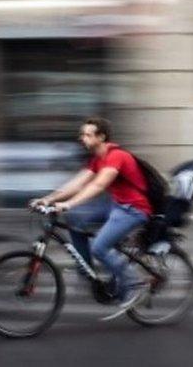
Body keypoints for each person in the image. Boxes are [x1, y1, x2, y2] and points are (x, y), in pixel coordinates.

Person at [30, 117, 152, 316]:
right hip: (116, 205)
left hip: (134, 209)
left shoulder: (116, 156)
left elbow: (98, 186)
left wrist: (67, 204)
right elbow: (77, 184)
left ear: (101, 137)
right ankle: (86, 270)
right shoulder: (97, 159)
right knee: (75, 219)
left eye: (87, 135)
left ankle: (134, 284)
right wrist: (48, 199)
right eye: (82, 134)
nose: (82, 138)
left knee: (99, 247)